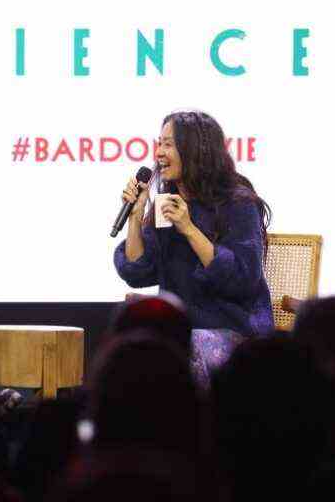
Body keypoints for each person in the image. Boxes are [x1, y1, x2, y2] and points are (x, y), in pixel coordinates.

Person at [113, 111, 274, 378]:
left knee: (183, 350)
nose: (159, 153)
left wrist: (188, 228)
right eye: (158, 143)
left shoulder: (239, 203)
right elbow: (138, 272)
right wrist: (135, 217)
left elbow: (243, 279)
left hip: (235, 330)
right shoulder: (167, 201)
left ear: (195, 150)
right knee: (134, 349)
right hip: (181, 329)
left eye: (168, 144)